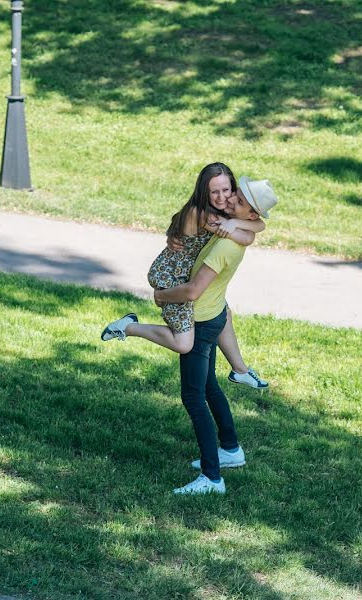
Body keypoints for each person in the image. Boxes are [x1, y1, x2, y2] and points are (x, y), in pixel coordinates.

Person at [113, 174, 279, 495]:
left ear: (250, 213)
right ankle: (230, 450)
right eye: (232, 195)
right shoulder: (230, 226)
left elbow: (191, 291)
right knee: (209, 387)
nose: (230, 200)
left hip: (201, 322)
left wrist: (161, 297)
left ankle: (212, 478)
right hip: (214, 315)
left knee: (193, 397)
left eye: (238, 200)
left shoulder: (227, 244)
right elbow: (250, 228)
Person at [102, 163, 269, 389]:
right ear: (204, 192)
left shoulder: (226, 213)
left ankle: (240, 370)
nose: (223, 198)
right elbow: (248, 237)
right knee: (183, 344)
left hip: (188, 270)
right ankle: (127, 327)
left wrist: (237, 221)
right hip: (172, 277)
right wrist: (235, 224)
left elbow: (258, 225)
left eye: (227, 191)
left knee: (223, 312)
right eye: (215, 192)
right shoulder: (206, 216)